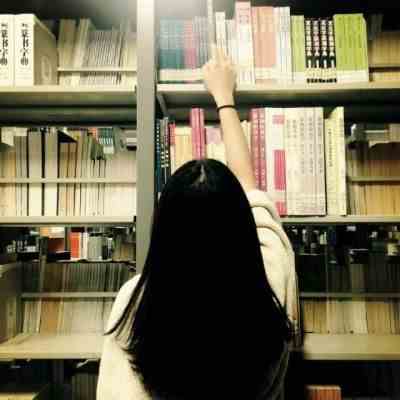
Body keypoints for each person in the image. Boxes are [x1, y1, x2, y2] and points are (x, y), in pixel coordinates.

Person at [97, 46, 299, 400]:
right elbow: (251, 192)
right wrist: (224, 98)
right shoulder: (267, 294)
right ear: (242, 232)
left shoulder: (135, 305)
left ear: (163, 234)